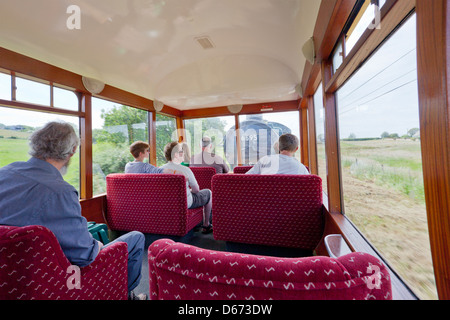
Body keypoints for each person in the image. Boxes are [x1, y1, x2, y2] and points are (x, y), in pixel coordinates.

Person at [0, 121, 147, 300]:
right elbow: (84, 256)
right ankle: (124, 295)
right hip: (58, 281)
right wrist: (97, 245)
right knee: (136, 237)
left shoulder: (4, 172)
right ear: (72, 151)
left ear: (35, 145)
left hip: (12, 276)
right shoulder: (61, 192)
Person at [161, 142, 213, 234]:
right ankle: (206, 224)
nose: (183, 154)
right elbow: (196, 190)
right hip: (185, 202)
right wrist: (189, 191)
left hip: (166, 202)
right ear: (176, 155)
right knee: (208, 192)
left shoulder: (159, 169)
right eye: (181, 152)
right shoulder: (185, 170)